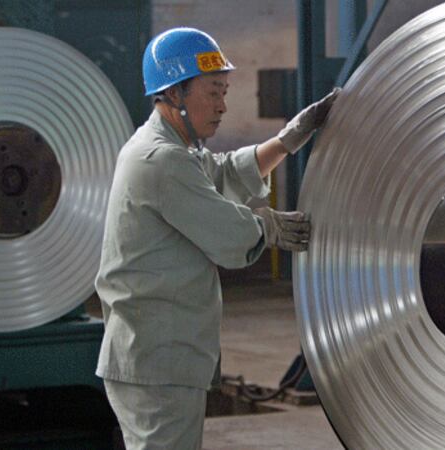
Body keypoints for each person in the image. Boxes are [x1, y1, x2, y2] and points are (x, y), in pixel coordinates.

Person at [94, 27, 338, 450]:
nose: (223, 106)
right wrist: (271, 226)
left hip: (160, 357)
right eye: (213, 92)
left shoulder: (173, 148)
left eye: (224, 91)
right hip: (158, 362)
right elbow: (230, 234)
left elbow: (220, 173)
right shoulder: (160, 159)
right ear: (173, 94)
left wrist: (287, 140)